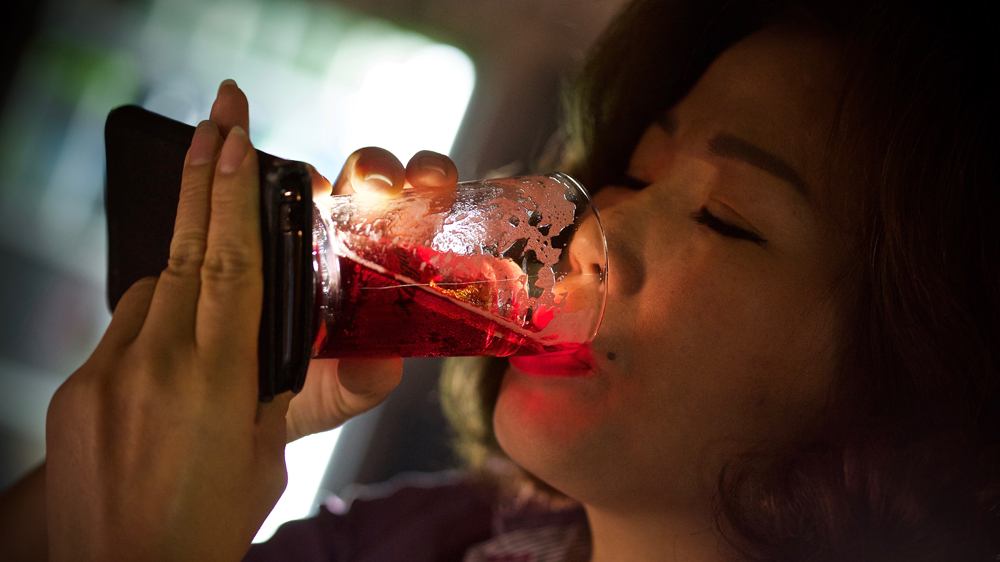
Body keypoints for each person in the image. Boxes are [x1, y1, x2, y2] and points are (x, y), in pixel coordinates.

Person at [1, 0, 998, 560]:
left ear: (903, 391)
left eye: (725, 218)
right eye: (636, 171)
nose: (600, 230)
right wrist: (239, 404)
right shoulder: (436, 538)